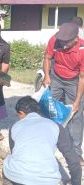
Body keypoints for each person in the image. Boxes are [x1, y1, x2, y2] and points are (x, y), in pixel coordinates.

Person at [3, 96, 81, 185]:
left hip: (16, 177)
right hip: (46, 181)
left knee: (9, 163)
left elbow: (15, 153)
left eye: (18, 115)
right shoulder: (56, 126)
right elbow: (73, 161)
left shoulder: (15, 126)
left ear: (21, 113)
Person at [42, 22, 84, 164]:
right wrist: (47, 76)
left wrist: (77, 101)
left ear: (75, 38)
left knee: (76, 115)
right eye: (62, 40)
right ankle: (46, 140)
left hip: (74, 81)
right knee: (48, 107)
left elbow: (82, 77)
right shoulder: (55, 40)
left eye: (66, 41)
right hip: (56, 76)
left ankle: (76, 151)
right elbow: (47, 58)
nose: (63, 44)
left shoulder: (82, 50)